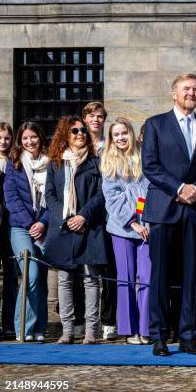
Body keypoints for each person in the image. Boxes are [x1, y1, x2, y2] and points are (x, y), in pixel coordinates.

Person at [142, 73, 196, 356]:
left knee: (193, 275)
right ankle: (160, 336)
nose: (192, 93)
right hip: (164, 209)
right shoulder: (155, 124)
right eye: (186, 89)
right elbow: (150, 166)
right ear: (174, 93)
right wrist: (179, 188)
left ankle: (188, 335)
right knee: (161, 275)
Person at [44, 116, 108, 344]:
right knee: (65, 280)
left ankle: (91, 331)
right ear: (65, 134)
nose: (80, 133)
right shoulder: (55, 163)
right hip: (63, 228)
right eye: (75, 130)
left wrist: (83, 216)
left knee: (91, 279)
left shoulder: (96, 162)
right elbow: (49, 196)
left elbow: (102, 194)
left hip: (90, 226)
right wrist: (69, 217)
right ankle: (67, 330)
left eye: (82, 130)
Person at [101, 117, 151, 345]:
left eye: (124, 133)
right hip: (122, 229)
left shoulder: (144, 157)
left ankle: (146, 328)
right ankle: (130, 329)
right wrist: (132, 222)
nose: (121, 138)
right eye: (116, 134)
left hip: (146, 227)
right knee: (127, 277)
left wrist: (146, 220)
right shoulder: (109, 162)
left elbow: (146, 193)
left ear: (131, 133)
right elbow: (112, 199)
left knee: (148, 276)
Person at [3, 122, 50, 342]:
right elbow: (11, 197)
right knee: (29, 273)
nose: (29, 142)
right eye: (25, 139)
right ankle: (23, 328)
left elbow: (57, 197)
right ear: (20, 141)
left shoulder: (53, 163)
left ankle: (40, 328)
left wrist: (42, 223)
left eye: (33, 137)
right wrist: (31, 224)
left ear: (40, 137)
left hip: (45, 228)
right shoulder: (14, 164)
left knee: (41, 279)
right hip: (20, 227)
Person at [82, 101, 118, 341]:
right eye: (91, 116)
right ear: (84, 119)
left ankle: (109, 320)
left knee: (112, 270)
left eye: (99, 116)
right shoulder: (78, 144)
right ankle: (80, 320)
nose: (96, 120)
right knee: (83, 271)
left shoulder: (110, 146)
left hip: (109, 214)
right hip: (85, 215)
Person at [0, 121, 16, 340]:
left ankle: (10, 324)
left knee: (11, 279)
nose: (3, 142)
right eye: (0, 138)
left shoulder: (15, 162)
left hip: (11, 227)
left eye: (7, 138)